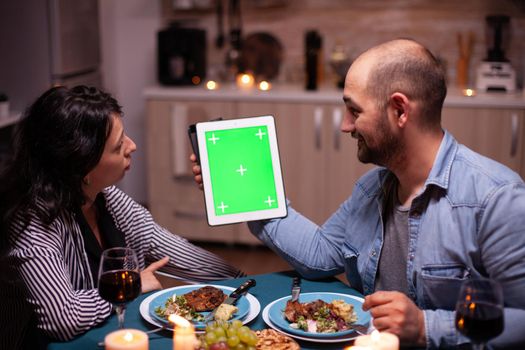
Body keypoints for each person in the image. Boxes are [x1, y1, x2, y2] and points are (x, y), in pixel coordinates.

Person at [191, 39, 525, 348]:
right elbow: (320, 254)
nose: (345, 125)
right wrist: (244, 193)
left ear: (399, 110)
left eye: (355, 110)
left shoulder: (497, 200)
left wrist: (425, 326)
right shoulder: (373, 188)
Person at [0, 85, 245, 349]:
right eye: (118, 147)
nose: (132, 146)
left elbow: (175, 252)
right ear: (82, 165)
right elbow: (63, 317)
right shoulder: (34, 222)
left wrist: (241, 281)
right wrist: (131, 285)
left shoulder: (108, 199)